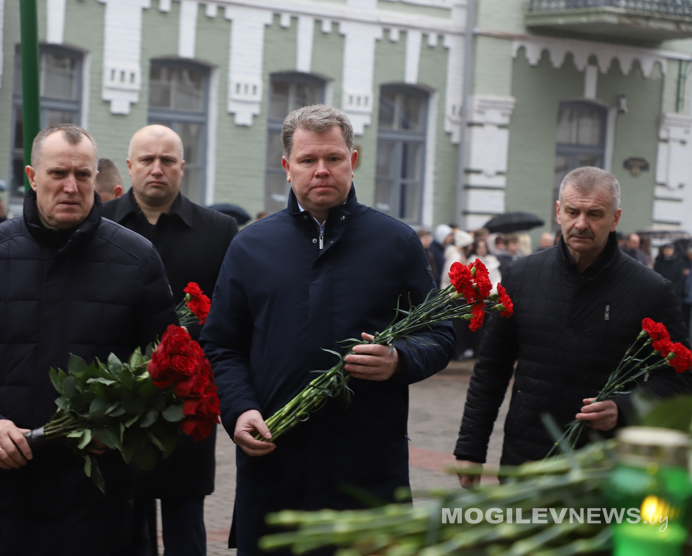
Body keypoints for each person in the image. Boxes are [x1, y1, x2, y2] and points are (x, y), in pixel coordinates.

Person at [201, 104, 455, 554]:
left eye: (333, 158)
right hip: (275, 465)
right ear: (287, 167)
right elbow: (222, 345)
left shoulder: (396, 242)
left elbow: (440, 334)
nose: (322, 170)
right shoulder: (251, 245)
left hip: (366, 468)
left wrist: (399, 359)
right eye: (308, 160)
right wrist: (239, 409)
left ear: (352, 161)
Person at [0, 124, 177, 556]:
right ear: (33, 177)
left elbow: (168, 372)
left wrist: (122, 428)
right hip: (12, 494)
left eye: (83, 175)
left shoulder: (137, 259)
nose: (71, 186)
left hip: (101, 500)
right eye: (58, 173)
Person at [454, 167, 692, 486]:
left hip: (605, 469)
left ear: (615, 218)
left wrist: (624, 408)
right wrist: (470, 448)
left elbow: (680, 378)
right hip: (526, 463)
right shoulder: (522, 276)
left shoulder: (651, 290)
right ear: (558, 212)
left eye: (594, 214)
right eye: (572, 212)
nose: (581, 224)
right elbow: (491, 369)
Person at [101, 124, 238, 556]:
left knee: (185, 528)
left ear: (182, 166)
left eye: (166, 160)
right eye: (147, 160)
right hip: (120, 403)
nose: (156, 168)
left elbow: (230, 319)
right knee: (125, 531)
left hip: (189, 403)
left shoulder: (219, 231)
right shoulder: (99, 223)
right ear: (130, 166)